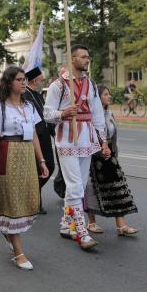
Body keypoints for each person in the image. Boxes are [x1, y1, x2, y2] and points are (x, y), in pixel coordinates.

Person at [43, 44, 108, 251]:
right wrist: (62, 114)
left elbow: (98, 115)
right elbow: (47, 113)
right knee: (74, 186)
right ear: (73, 59)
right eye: (83, 57)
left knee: (79, 186)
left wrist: (103, 141)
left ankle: (66, 225)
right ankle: (81, 231)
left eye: (88, 57)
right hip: (67, 139)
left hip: (86, 140)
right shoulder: (58, 85)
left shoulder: (91, 84)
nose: (87, 60)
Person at [0, 67, 49, 270]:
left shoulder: (30, 106)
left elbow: (34, 136)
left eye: (24, 80)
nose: (24, 83)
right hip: (8, 154)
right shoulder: (0, 108)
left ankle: (8, 231)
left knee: (30, 200)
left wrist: (41, 161)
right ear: (9, 83)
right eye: (19, 80)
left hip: (27, 157)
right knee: (12, 203)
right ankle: (18, 252)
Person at [84, 86, 138, 236]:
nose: (109, 97)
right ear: (97, 98)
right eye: (106, 94)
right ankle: (91, 222)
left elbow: (114, 137)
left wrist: (114, 154)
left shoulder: (109, 113)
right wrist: (99, 149)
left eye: (109, 94)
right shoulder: (90, 115)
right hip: (94, 156)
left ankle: (121, 226)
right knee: (91, 189)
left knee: (116, 188)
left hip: (109, 155)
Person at [23, 66, 55, 214]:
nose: (44, 82)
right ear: (35, 80)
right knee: (38, 169)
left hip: (45, 135)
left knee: (50, 166)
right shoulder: (27, 95)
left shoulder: (37, 94)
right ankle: (35, 201)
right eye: (42, 80)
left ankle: (31, 195)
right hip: (36, 137)